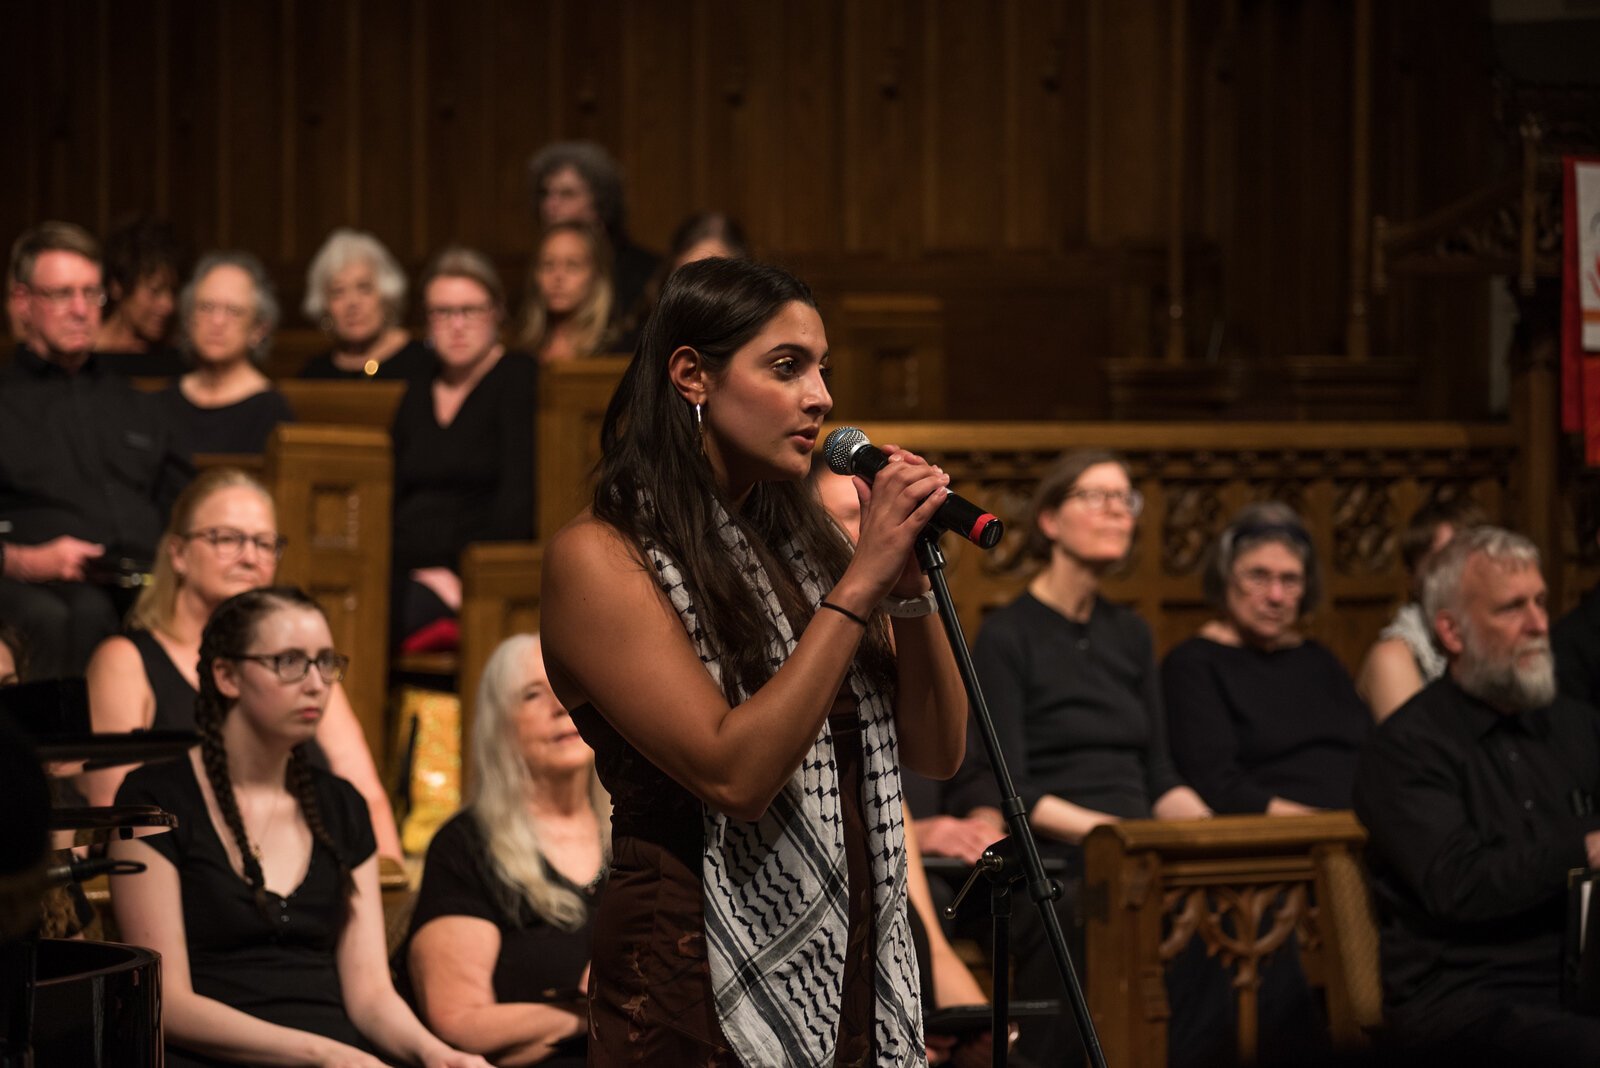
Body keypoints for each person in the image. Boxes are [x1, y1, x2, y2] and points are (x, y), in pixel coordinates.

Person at [540, 257, 968, 1065]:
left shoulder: (802, 547)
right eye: (786, 366)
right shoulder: (599, 558)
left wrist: (908, 596)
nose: (822, 397)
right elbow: (735, 777)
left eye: (823, 369)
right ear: (692, 375)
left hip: (847, 940)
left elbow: (938, 752)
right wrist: (863, 581)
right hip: (687, 966)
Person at [109, 587, 489, 1067]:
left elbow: (371, 994)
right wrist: (322, 1055)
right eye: (289, 662)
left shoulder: (341, 806)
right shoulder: (154, 799)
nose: (316, 683)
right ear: (227, 675)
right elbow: (169, 1003)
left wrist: (440, 1055)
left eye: (325, 662)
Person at [948, 450, 1210, 1066]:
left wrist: (1210, 836)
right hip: (1061, 847)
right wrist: (1117, 838)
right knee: (1069, 909)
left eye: (1125, 499)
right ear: (1049, 521)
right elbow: (1013, 785)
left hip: (1136, 840)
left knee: (1225, 892)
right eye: (1097, 497)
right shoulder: (1010, 633)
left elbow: (1161, 775)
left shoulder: (1132, 632)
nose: (1117, 511)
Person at [1354, 526, 1600, 1063]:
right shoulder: (1407, 748)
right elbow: (1458, 886)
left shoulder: (1576, 727)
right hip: (1466, 1000)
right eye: (1512, 609)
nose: (1539, 625)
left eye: (1540, 602)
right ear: (1452, 631)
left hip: (1579, 983)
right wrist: (1582, 848)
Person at [81, 467, 403, 859]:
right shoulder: (126, 661)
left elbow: (367, 796)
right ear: (179, 553)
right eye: (228, 539)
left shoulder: (303, 668)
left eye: (265, 544)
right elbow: (115, 811)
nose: (250, 557)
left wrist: (389, 885)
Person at [398, 634, 606, 1067]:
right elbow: (459, 1023)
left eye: (567, 688)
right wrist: (599, 1014)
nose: (559, 706)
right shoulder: (467, 845)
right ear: (499, 724)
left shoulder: (635, 829)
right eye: (533, 694)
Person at [0, 221, 190, 678]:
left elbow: (182, 503)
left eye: (92, 294)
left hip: (140, 579)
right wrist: (25, 561)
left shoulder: (137, 405)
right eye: (63, 294)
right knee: (73, 613)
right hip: (31, 582)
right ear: (24, 302)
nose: (81, 310)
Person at [1163, 501, 1369, 815]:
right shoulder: (1193, 665)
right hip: (1278, 839)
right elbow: (1217, 784)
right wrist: (1320, 826)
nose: (1275, 596)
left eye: (1290, 581)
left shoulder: (1319, 660)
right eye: (1258, 576)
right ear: (1226, 576)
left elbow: (1367, 752)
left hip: (1358, 826)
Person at [391, 248, 536, 650]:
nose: (456, 326)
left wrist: (461, 576)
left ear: (496, 313)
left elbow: (516, 504)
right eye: (442, 312)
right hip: (407, 570)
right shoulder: (418, 387)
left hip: (475, 577)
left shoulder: (517, 378)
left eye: (469, 311)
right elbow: (394, 494)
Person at [1357, 497, 1486, 722]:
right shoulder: (1394, 657)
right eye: (1445, 558)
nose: (1462, 572)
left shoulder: (1488, 635)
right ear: (1413, 575)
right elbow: (1418, 753)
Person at [160, 251, 295, 456]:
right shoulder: (163, 402)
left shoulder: (272, 413)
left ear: (259, 329)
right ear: (189, 319)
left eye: (233, 311)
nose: (217, 322)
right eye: (206, 307)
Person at [527, 141, 658, 326]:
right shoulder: (537, 267)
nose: (550, 205)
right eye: (545, 193)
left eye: (567, 194)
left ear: (599, 203)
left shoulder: (642, 272)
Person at [298, 228, 432, 381]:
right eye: (338, 292)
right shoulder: (314, 374)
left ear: (387, 296)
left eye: (364, 288)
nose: (352, 303)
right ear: (324, 305)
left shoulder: (425, 365)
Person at [615, 211, 751, 352]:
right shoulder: (639, 347)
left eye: (716, 278)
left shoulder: (758, 344)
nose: (701, 292)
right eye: (688, 277)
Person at [93, 215, 185, 376]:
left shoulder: (174, 355)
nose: (169, 305)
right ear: (117, 287)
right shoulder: (85, 353)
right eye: (155, 291)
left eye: (173, 292)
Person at [516, 221, 616, 363]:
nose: (558, 277)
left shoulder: (615, 350)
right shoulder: (519, 347)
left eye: (572, 265)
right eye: (548, 264)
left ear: (596, 275)